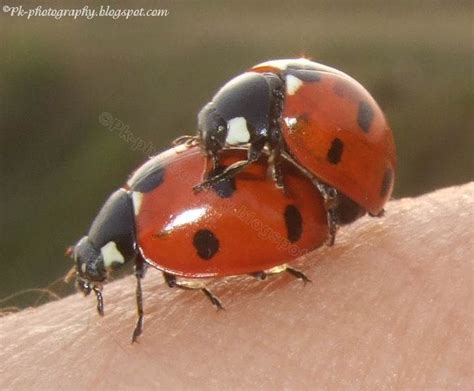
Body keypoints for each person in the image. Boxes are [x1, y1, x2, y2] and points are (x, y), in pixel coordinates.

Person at [0, 183, 472, 390]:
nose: (98, 277)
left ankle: (273, 263)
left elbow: (153, 277)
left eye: (97, 269)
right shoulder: (135, 219)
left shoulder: (147, 232)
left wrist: (142, 319)